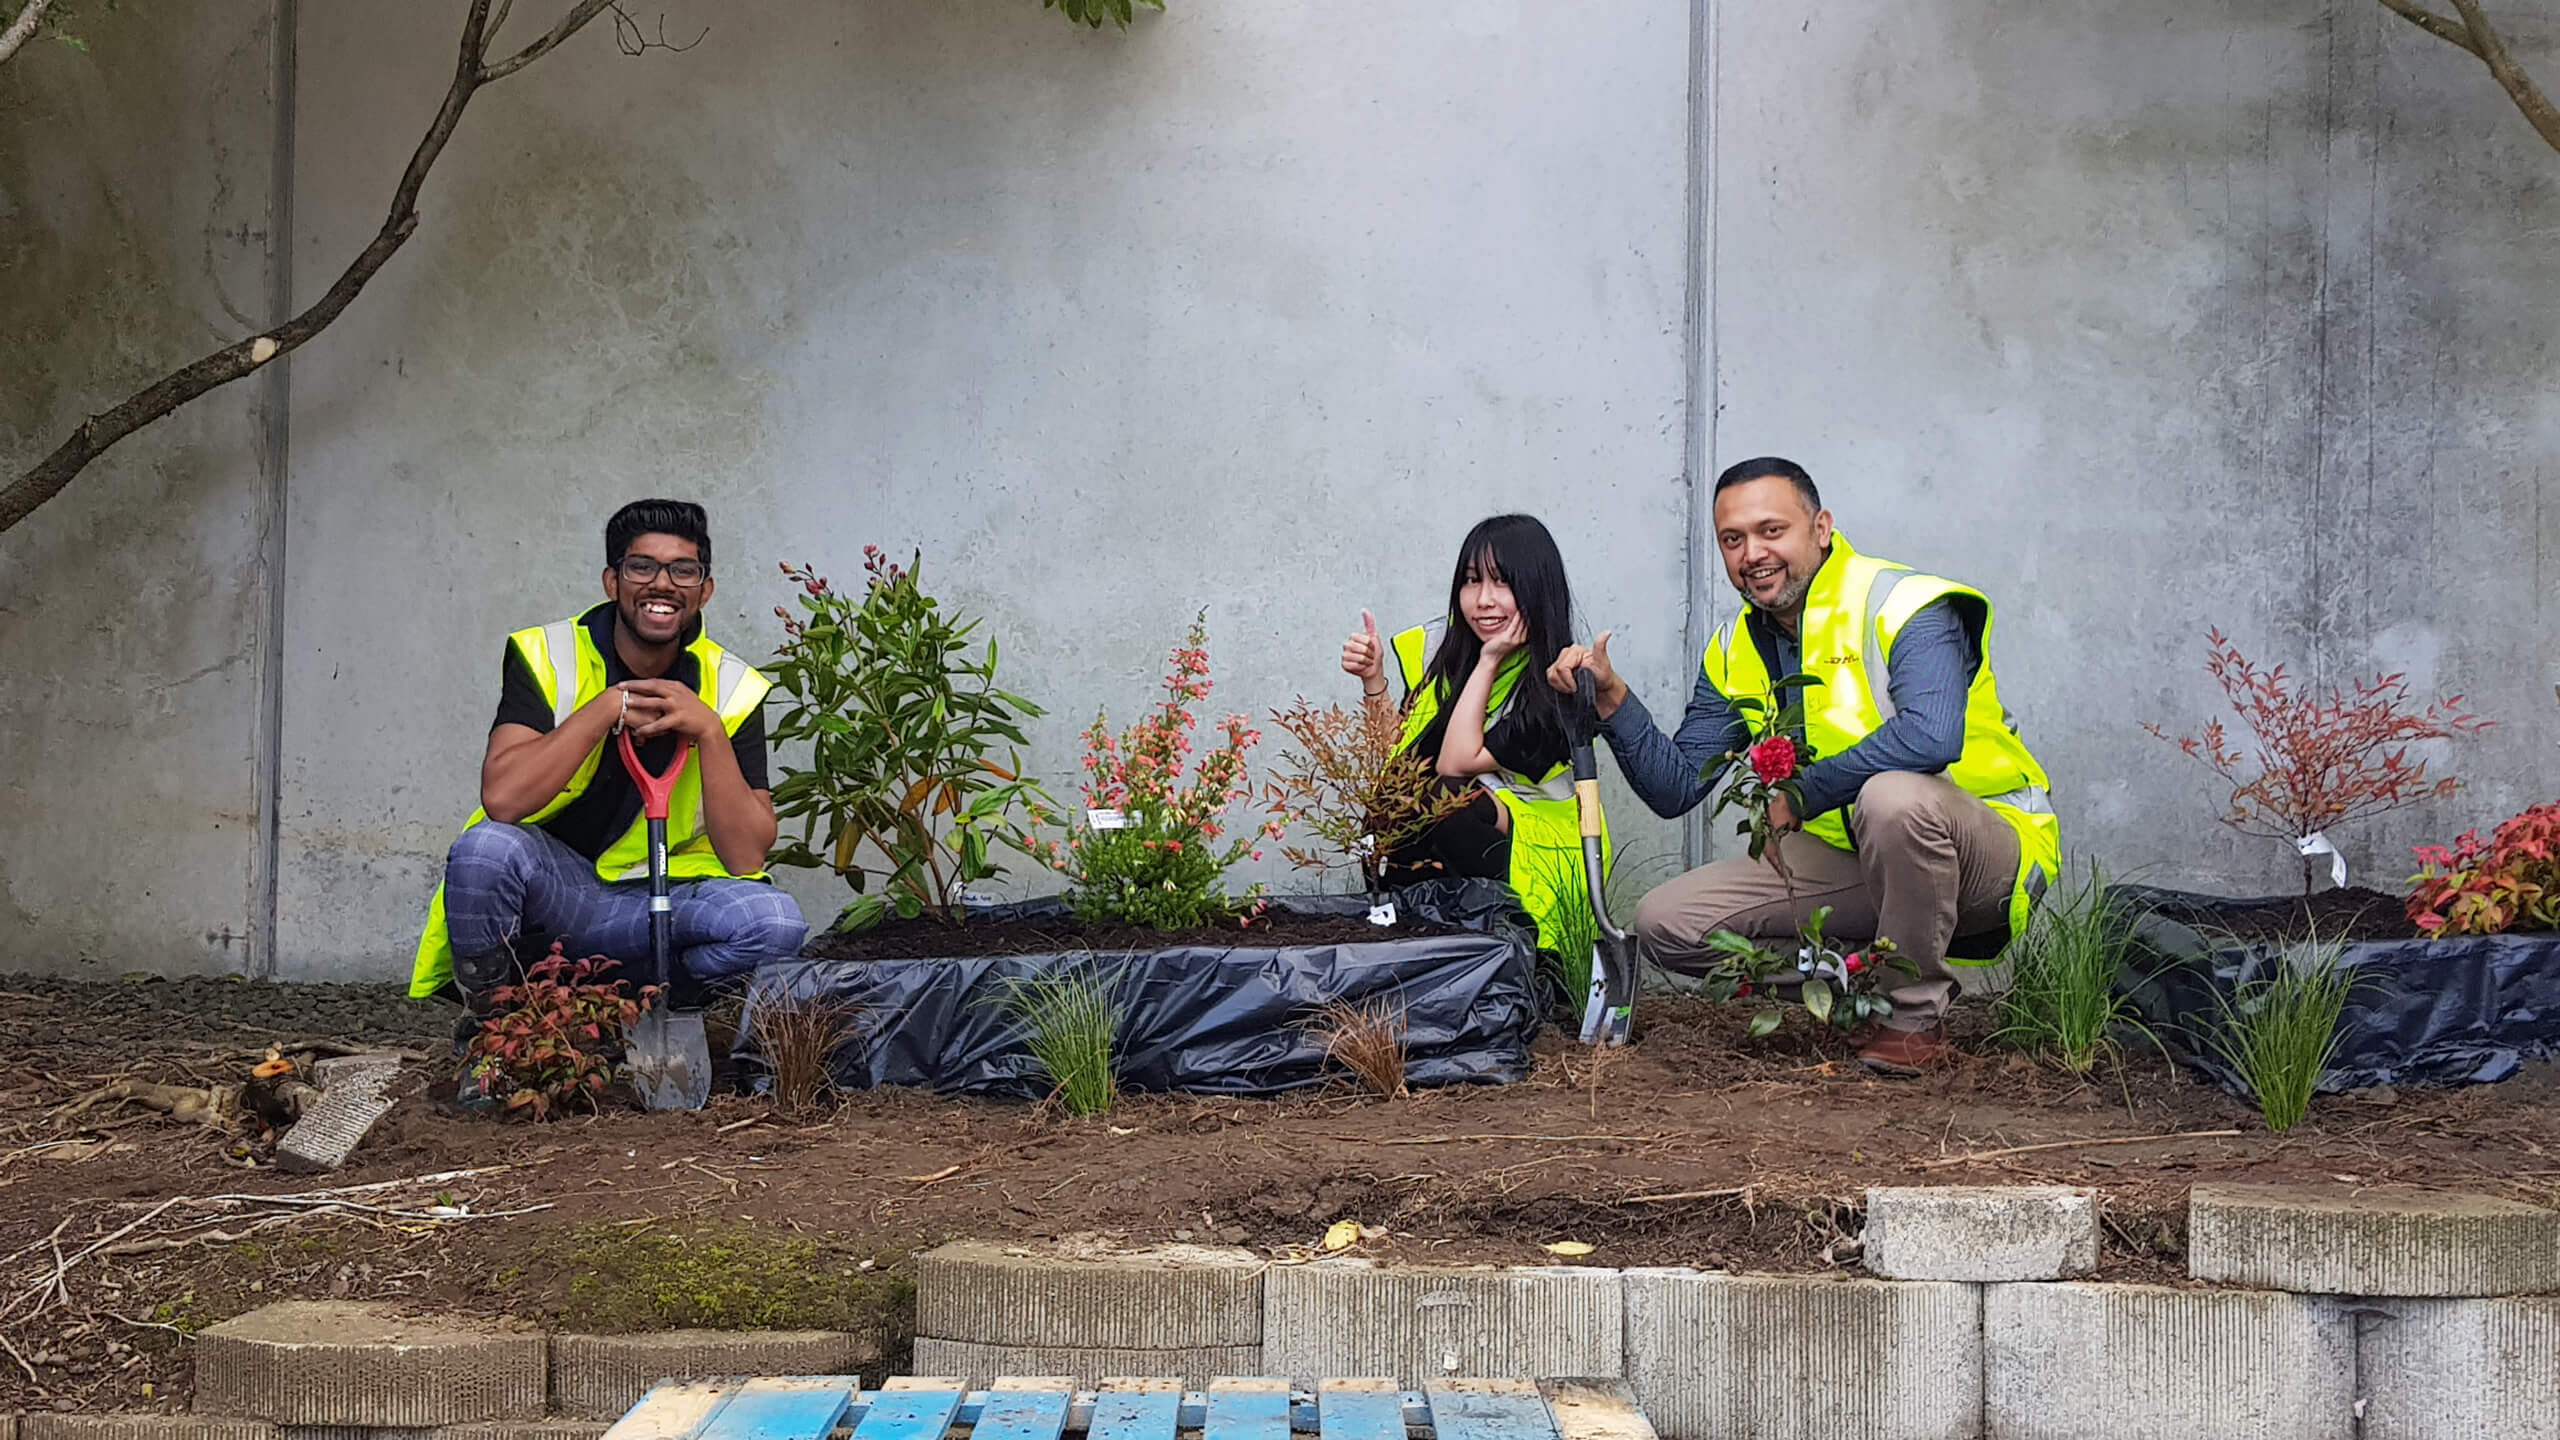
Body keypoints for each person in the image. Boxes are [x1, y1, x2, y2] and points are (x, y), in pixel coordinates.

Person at [1546, 457, 2060, 1074]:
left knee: (1892, 798)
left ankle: (1912, 1017)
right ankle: (1857, 986)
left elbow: (1932, 735)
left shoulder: (1905, 604)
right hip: (1855, 860)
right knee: (1667, 923)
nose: (1752, 553)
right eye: (1732, 540)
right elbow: (1677, 785)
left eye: (1771, 530)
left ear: (1821, 527)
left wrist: (1806, 792)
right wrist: (1613, 701)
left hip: (1984, 853)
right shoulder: (1737, 645)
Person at [408, 499, 806, 1009]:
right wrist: (603, 710)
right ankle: (496, 1029)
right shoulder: (546, 654)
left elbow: (747, 855)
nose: (662, 584)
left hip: (660, 900)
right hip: (557, 894)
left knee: (774, 924)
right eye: (642, 566)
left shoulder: (732, 687)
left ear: (704, 591)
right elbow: (503, 802)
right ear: (612, 582)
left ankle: (639, 1013)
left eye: (683, 571)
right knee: (486, 850)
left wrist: (708, 730)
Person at [1339, 513, 1604, 953]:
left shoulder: (1558, 684)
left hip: (1541, 852)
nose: (1483, 600)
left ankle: (1493, 948)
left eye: (1502, 582)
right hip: (1467, 834)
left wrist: (1489, 661)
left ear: (1537, 588)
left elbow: (1453, 765)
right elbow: (1399, 760)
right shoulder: (1442, 656)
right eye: (1471, 580)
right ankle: (1411, 941)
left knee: (1445, 799)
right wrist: (1373, 680)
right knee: (1394, 802)